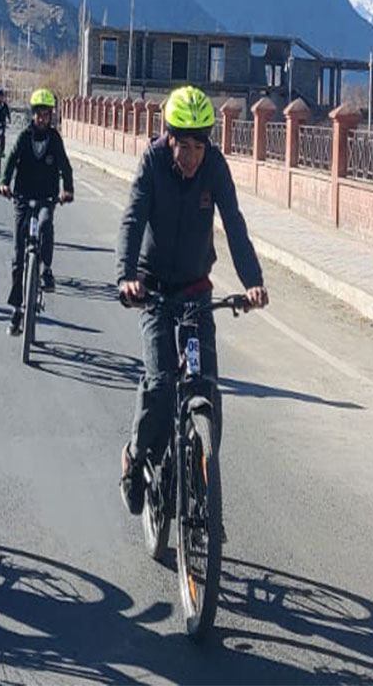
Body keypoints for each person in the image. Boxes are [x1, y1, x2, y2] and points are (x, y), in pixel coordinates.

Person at [115, 85, 269, 514]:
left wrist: (253, 282)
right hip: (152, 290)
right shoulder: (152, 162)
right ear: (169, 139)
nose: (192, 156)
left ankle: (203, 485)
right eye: (184, 146)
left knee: (206, 386)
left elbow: (234, 223)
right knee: (162, 383)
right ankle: (136, 458)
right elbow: (133, 219)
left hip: (196, 289)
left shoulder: (214, 166)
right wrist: (126, 277)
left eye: (199, 146)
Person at [0, 88, 74, 334]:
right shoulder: (24, 137)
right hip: (22, 197)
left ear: (51, 116)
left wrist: (68, 190)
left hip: (46, 198)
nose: (42, 119)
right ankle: (16, 310)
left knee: (45, 224)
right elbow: (11, 160)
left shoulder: (55, 139)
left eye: (46, 115)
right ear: (32, 115)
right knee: (17, 256)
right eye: (38, 114)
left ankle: (46, 270)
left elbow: (65, 166)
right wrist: (4, 182)